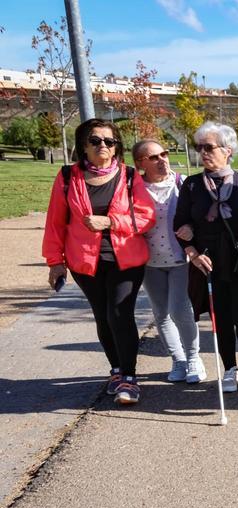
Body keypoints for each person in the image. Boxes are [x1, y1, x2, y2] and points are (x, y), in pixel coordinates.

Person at [43, 118, 156, 405]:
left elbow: (146, 216)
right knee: (103, 315)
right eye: (95, 140)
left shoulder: (130, 176)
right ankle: (116, 371)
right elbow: (55, 222)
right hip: (85, 262)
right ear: (84, 145)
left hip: (126, 259)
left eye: (109, 141)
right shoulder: (68, 177)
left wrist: (109, 221)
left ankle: (130, 379)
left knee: (120, 313)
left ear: (117, 146)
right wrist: (55, 262)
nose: (102, 146)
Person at [175, 121, 238, 394]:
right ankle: (229, 367)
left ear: (228, 151)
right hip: (208, 260)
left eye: (209, 147)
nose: (203, 153)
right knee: (222, 318)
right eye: (199, 147)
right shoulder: (192, 185)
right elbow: (180, 223)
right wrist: (192, 252)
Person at [133, 139, 205, 384]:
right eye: (154, 157)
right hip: (149, 260)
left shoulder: (180, 183)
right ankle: (178, 359)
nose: (162, 159)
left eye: (164, 153)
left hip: (179, 258)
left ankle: (194, 358)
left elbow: (197, 215)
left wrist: (190, 227)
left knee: (180, 310)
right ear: (140, 163)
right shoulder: (135, 187)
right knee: (161, 313)